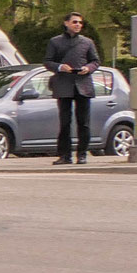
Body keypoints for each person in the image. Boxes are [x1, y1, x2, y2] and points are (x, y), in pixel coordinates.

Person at [43, 12, 100, 164]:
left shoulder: (87, 42)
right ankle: (64, 155)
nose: (78, 25)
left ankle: (82, 154)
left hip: (83, 85)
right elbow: (48, 62)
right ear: (66, 23)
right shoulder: (55, 42)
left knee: (84, 122)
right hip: (64, 84)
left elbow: (95, 61)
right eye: (75, 22)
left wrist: (88, 68)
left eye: (80, 23)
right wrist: (61, 67)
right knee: (65, 122)